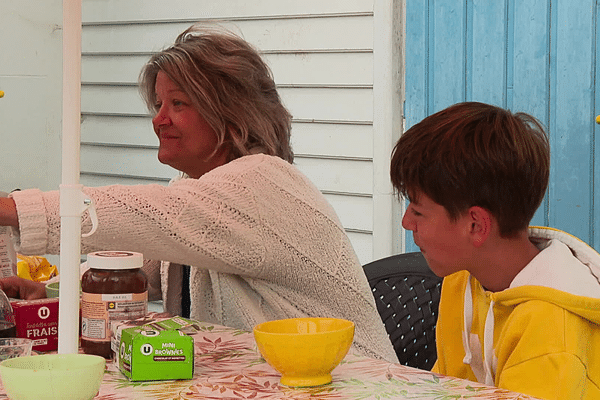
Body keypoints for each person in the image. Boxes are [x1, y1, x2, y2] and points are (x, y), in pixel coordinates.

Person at [0, 24, 398, 363]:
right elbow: (133, 266)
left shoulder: (264, 183)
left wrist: (9, 209)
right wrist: (52, 294)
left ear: (231, 112)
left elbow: (140, 215)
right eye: (158, 103)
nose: (158, 120)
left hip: (354, 385)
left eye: (178, 103)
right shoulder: (198, 194)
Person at [390, 101, 600, 399]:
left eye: (418, 211)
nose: (406, 222)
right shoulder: (463, 278)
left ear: (475, 225)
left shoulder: (552, 332)